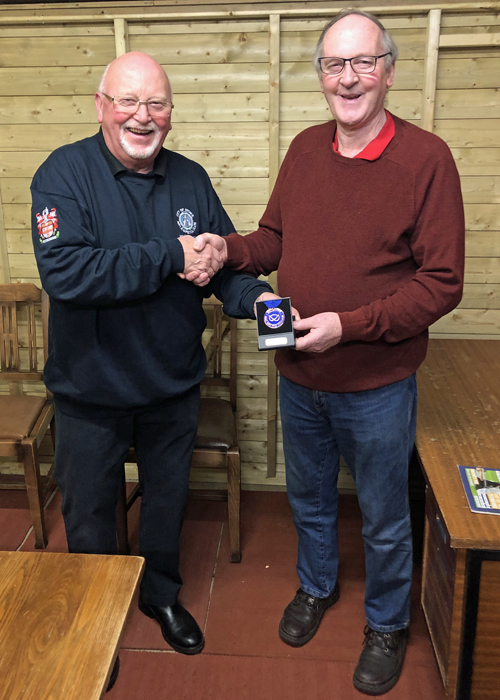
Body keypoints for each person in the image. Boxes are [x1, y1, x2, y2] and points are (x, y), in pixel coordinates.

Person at [192, 9, 465, 695]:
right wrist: (230, 249)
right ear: (320, 76)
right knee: (309, 500)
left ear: (389, 71)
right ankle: (315, 587)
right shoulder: (306, 149)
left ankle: (387, 623)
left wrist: (352, 325)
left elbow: (442, 283)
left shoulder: (426, 160)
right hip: (298, 375)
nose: (349, 78)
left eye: (363, 62)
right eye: (334, 64)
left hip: (377, 383)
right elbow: (273, 241)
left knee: (383, 516)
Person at [31, 51, 274, 657]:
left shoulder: (190, 178)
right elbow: (67, 273)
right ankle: (94, 620)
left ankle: (160, 594)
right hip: (89, 394)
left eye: (156, 103)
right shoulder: (63, 175)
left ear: (170, 112)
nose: (143, 116)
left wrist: (269, 307)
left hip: (171, 388)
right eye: (128, 102)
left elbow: (219, 265)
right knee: (88, 518)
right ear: (101, 106)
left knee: (167, 506)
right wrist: (169, 253)